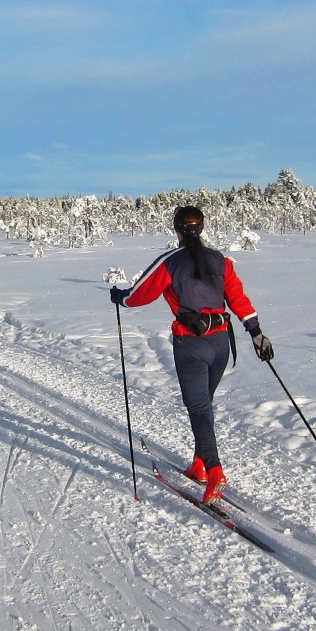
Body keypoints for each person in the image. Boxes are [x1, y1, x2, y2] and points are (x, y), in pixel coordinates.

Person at [111, 205, 273, 504]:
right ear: (201, 228)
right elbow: (237, 298)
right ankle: (199, 462)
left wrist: (119, 296)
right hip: (221, 344)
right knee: (204, 405)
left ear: (177, 229)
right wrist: (257, 333)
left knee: (199, 407)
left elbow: (139, 295)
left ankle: (214, 471)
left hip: (191, 346)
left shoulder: (170, 261)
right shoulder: (220, 260)